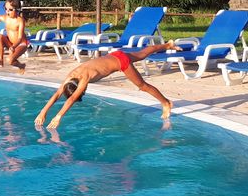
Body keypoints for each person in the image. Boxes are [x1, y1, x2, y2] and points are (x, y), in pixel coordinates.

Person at [34, 40, 180, 129]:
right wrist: (43, 112)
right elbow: (57, 94)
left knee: (142, 86)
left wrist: (59, 116)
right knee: (142, 53)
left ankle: (166, 102)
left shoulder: (83, 78)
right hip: (116, 55)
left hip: (121, 63)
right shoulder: (71, 76)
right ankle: (168, 44)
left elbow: (71, 99)